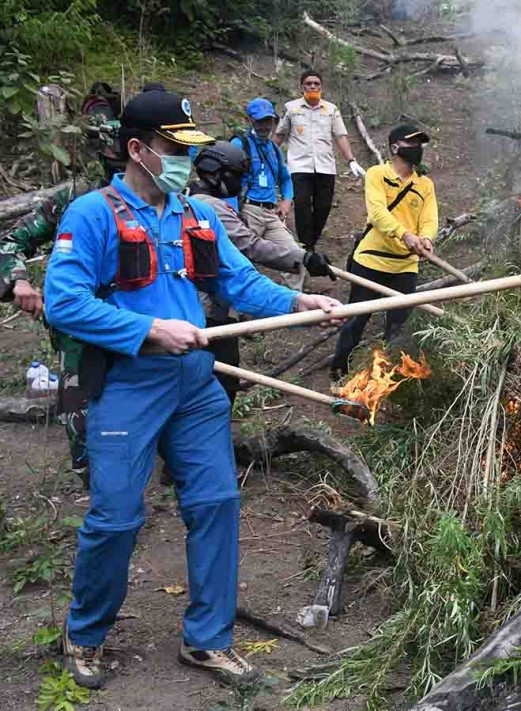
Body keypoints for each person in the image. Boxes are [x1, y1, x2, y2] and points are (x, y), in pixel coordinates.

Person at [43, 89, 342, 689]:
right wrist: (148, 329)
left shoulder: (195, 215)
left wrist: (296, 302)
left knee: (217, 504)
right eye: (173, 148)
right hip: (127, 384)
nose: (185, 161)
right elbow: (63, 302)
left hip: (196, 385)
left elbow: (238, 280)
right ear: (137, 149)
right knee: (116, 517)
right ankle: (85, 632)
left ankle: (207, 639)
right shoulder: (93, 214)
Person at [0, 86, 128, 483]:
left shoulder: (159, 199)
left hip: (140, 324)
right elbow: (10, 242)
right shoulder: (74, 197)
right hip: (80, 331)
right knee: (86, 422)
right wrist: (19, 281)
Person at [187, 140, 335, 404]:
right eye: (235, 176)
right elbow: (250, 246)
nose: (240, 183)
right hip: (209, 313)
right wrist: (303, 258)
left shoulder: (198, 200)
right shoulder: (207, 207)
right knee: (221, 387)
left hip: (210, 308)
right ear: (213, 173)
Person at [331, 125, 436, 379]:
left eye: (419, 144)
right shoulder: (377, 174)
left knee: (399, 327)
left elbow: (429, 219)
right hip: (370, 261)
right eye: (411, 143)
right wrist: (405, 235)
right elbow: (378, 214)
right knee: (356, 319)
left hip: (405, 266)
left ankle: (389, 379)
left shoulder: (425, 185)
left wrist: (426, 239)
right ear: (395, 148)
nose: (416, 149)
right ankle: (339, 372)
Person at [273, 70, 366, 255]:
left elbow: (340, 136)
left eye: (316, 83)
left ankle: (311, 242)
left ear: (321, 87)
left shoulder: (331, 110)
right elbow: (279, 135)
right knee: (302, 207)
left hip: (325, 167)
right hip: (299, 167)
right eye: (309, 83)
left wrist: (351, 161)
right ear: (302, 87)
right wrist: (266, 156)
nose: (313, 86)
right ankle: (307, 248)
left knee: (323, 208)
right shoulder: (291, 108)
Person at [232, 98, 309, 290]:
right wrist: (232, 211)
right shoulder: (240, 144)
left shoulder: (273, 148)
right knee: (239, 262)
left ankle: (295, 303)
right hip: (247, 210)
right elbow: (226, 178)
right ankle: (232, 307)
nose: (264, 126)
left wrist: (287, 200)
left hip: (271, 213)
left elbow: (285, 178)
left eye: (268, 121)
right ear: (249, 120)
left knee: (295, 258)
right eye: (259, 121)